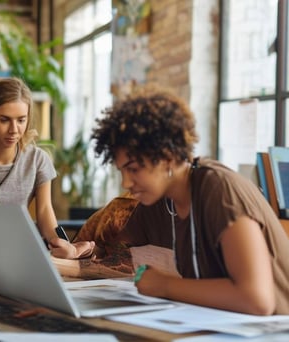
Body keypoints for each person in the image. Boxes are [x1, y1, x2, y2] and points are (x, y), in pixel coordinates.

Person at [90, 85, 289, 315]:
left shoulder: (218, 188)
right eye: (121, 171)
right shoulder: (163, 200)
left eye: (133, 169)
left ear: (167, 156)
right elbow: (116, 247)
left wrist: (164, 286)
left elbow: (257, 299)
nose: (126, 182)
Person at [0, 77, 93, 259]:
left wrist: (61, 244)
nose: (14, 129)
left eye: (21, 120)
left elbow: (44, 212)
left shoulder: (38, 160)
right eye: (4, 120)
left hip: (19, 249)